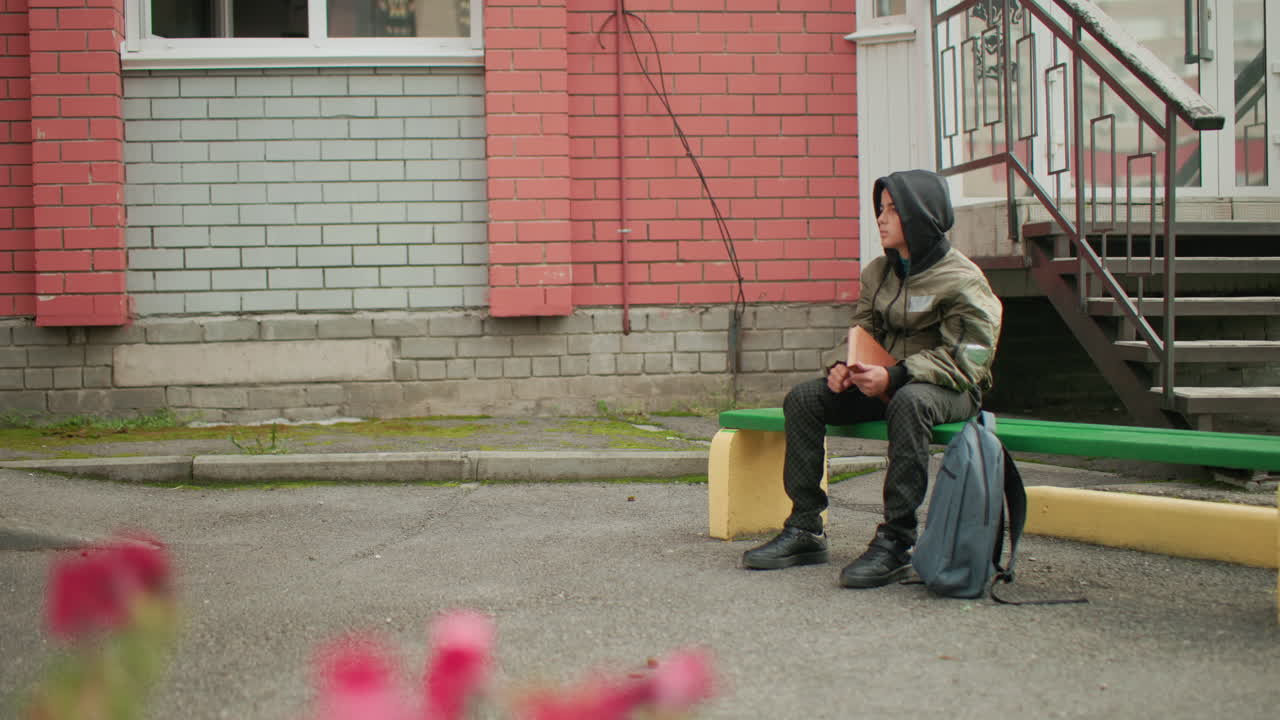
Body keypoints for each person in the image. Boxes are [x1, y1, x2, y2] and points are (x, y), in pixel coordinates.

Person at [742, 169, 1003, 588]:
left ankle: (896, 542)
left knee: (910, 401)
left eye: (892, 211)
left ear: (922, 216)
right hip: (883, 380)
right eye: (879, 210)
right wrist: (843, 368)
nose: (880, 219)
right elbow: (860, 330)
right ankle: (805, 528)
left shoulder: (962, 279)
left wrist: (895, 376)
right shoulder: (879, 272)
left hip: (948, 389)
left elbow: (969, 359)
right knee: (803, 399)